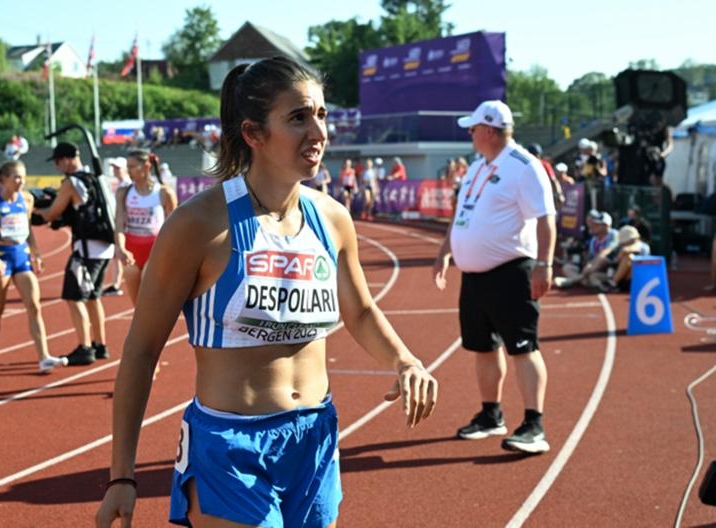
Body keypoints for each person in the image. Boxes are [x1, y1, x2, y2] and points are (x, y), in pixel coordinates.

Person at [96, 56, 437, 528]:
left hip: (315, 437)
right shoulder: (198, 224)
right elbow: (141, 349)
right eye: (298, 117)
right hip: (231, 446)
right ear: (253, 133)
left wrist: (405, 360)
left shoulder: (333, 219)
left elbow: (359, 312)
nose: (318, 132)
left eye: (321, 114)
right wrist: (122, 475)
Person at [433, 99, 556, 455]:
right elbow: (461, 216)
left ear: (488, 130)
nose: (469, 134)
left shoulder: (524, 166)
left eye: (472, 129)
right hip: (474, 277)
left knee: (523, 347)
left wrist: (545, 264)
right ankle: (491, 415)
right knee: (483, 347)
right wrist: (445, 252)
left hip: (511, 271)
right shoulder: (476, 167)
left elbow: (546, 217)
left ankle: (534, 425)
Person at [0, 161, 67, 374]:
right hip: (2, 257)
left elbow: (28, 228)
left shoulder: (27, 199)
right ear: (4, 179)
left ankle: (44, 357)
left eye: (23, 177)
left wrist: (36, 253)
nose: (21, 181)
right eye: (16, 177)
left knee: (34, 306)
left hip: (21, 257)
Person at [36, 142, 116, 366]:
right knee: (93, 297)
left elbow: (53, 213)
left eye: (58, 161)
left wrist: (35, 210)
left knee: (74, 297)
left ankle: (85, 348)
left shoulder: (72, 182)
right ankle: (100, 344)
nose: (57, 166)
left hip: (86, 249)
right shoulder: (96, 178)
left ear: (67, 159)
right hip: (105, 247)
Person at [114, 149, 177, 304]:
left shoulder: (164, 192)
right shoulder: (123, 192)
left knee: (150, 301)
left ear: (147, 166)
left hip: (155, 249)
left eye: (132, 166)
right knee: (137, 305)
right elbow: (119, 224)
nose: (129, 171)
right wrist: (121, 248)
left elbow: (175, 228)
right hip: (131, 250)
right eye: (128, 167)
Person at [555, 210, 618, 290]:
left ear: (605, 225)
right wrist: (586, 264)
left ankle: (574, 280)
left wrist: (590, 265)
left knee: (602, 259)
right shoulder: (594, 240)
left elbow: (606, 251)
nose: (593, 226)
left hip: (609, 268)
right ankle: (583, 280)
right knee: (567, 268)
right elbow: (590, 257)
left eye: (597, 224)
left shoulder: (613, 234)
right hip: (593, 269)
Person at [102, 158, 131, 297]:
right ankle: (116, 283)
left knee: (122, 254)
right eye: (114, 167)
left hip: (125, 226)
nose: (115, 170)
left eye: (118, 168)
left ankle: (119, 283)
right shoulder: (117, 184)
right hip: (117, 224)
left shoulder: (128, 185)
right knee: (116, 255)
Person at [600, 225, 650, 293]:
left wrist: (623, 252)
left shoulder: (644, 247)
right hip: (621, 279)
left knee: (629, 257)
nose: (622, 244)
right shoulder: (620, 248)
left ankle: (612, 283)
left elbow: (633, 252)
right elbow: (612, 261)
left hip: (634, 279)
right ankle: (608, 285)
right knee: (594, 276)